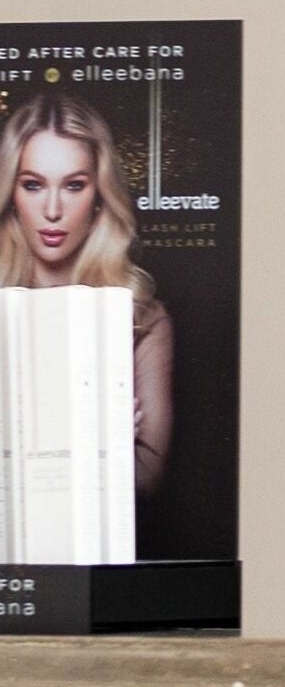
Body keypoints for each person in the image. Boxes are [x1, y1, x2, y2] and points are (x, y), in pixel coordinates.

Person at [0, 89, 174, 496]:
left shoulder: (141, 316)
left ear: (99, 195)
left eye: (74, 185)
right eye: (33, 185)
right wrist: (91, 435)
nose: (53, 209)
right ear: (11, 195)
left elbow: (147, 479)